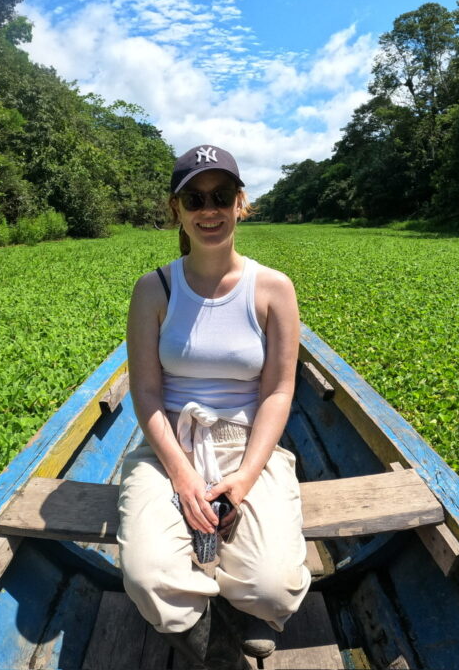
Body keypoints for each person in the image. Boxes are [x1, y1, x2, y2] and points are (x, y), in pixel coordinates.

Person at [117, 145, 311, 668]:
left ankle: (242, 596)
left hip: (248, 446)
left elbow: (277, 391)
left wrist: (245, 479)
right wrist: (181, 475)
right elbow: (147, 393)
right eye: (195, 197)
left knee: (274, 588)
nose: (210, 209)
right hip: (170, 445)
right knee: (147, 575)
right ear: (176, 209)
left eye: (221, 195)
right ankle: (214, 639)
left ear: (240, 203)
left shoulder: (273, 289)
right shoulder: (152, 290)